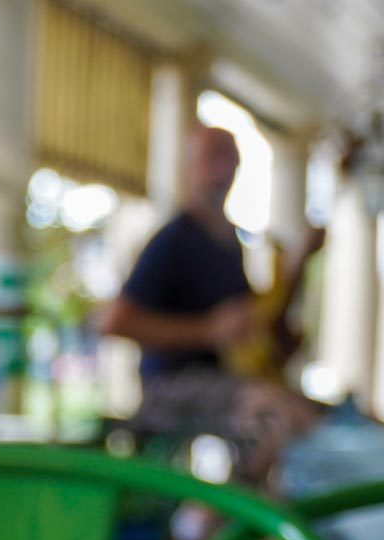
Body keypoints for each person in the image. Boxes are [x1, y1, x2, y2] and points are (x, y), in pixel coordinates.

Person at [100, 125, 321, 485]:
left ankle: (239, 523)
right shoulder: (174, 238)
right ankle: (217, 526)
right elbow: (114, 321)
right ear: (188, 166)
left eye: (229, 160)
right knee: (276, 415)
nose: (221, 171)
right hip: (171, 386)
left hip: (228, 380)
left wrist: (282, 327)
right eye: (211, 159)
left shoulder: (231, 243)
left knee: (321, 417)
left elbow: (256, 325)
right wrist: (207, 330)